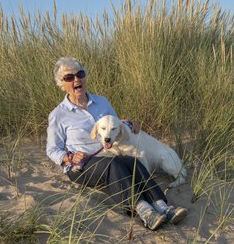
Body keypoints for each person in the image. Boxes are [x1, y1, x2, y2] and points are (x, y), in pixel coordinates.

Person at [46, 57, 187, 230]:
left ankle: (163, 206)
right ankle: (144, 210)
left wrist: (129, 124)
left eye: (80, 74)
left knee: (131, 161)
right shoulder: (58, 115)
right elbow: (52, 149)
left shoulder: (102, 102)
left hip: (110, 153)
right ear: (62, 84)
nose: (76, 79)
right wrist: (69, 157)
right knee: (113, 165)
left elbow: (115, 124)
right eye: (69, 77)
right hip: (82, 165)